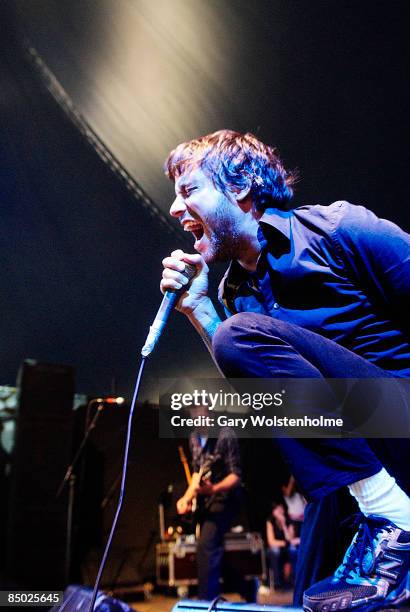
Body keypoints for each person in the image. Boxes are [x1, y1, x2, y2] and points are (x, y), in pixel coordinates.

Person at [160, 129, 410, 610]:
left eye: (189, 190)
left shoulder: (337, 230)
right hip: (353, 473)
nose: (174, 208)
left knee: (239, 334)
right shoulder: (236, 294)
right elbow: (269, 402)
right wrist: (199, 309)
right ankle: (384, 515)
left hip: (399, 425)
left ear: (241, 188)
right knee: (313, 600)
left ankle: (394, 519)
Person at [176, 413, 243, 600]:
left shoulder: (225, 434)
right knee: (210, 548)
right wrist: (186, 498)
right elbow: (198, 473)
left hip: (226, 498)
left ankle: (207, 602)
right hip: (208, 499)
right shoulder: (194, 437)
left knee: (206, 546)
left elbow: (236, 475)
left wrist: (213, 488)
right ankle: (244, 585)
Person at [266, 500, 300, 589]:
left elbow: (290, 539)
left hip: (287, 547)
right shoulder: (270, 521)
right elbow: (271, 541)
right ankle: (277, 583)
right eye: (277, 509)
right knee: (275, 550)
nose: (279, 511)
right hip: (278, 547)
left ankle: (294, 581)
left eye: (280, 508)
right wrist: (285, 543)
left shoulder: (289, 521)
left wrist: (284, 524)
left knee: (293, 550)